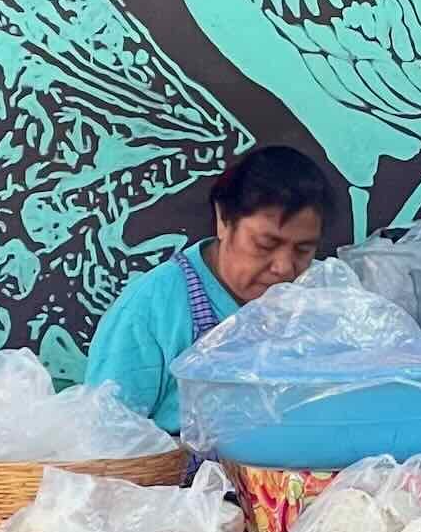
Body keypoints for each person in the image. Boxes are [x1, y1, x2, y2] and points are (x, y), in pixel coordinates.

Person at [86, 146, 336, 431]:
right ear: (223, 220)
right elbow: (106, 439)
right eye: (265, 245)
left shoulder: (325, 299)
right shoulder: (148, 309)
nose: (285, 268)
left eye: (303, 250)